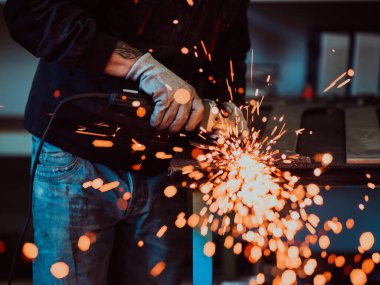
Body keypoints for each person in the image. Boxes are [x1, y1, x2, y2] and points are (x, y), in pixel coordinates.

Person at [4, 0, 250, 283]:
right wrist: (142, 68)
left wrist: (228, 106)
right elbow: (31, 11)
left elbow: (229, 54)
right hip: (78, 154)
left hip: (164, 165)